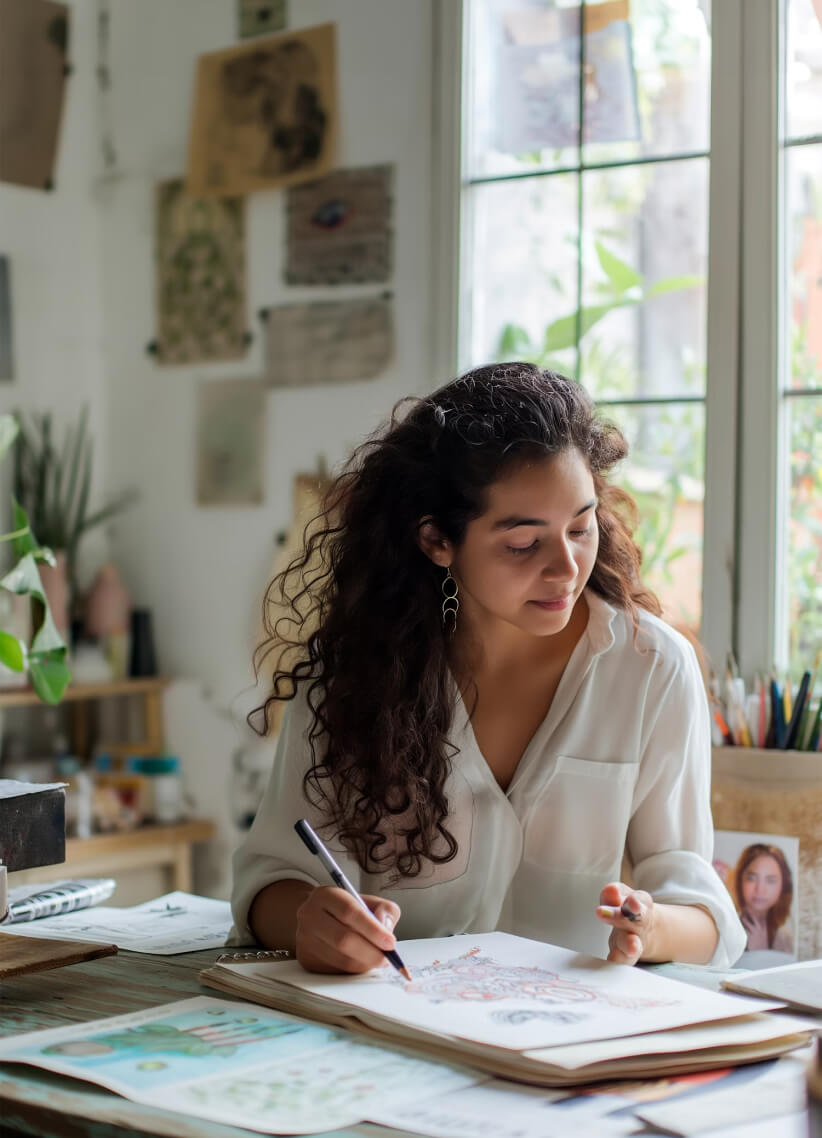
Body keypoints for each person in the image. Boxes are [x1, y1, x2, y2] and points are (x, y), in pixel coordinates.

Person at [230, 363, 746, 973]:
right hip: (391, 1026)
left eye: (580, 528)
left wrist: (652, 927)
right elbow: (271, 879)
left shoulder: (651, 668)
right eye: (524, 543)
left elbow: (703, 915)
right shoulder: (354, 672)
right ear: (437, 542)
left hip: (566, 1045)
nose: (565, 568)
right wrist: (309, 920)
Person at [732, 843, 794, 953]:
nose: (760, 889)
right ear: (740, 880)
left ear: (783, 885)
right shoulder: (725, 930)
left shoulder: (786, 939)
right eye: (752, 878)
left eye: (770, 880)